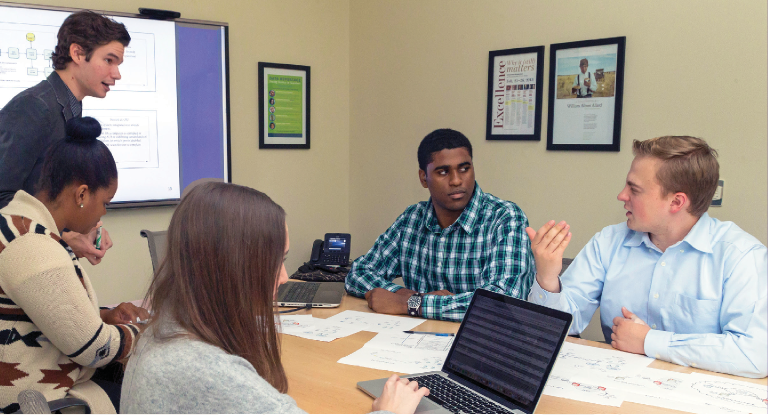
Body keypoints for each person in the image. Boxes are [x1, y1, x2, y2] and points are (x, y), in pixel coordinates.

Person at [121, 182, 429, 413]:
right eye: (275, 262)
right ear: (234, 265)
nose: (284, 278)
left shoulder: (163, 330)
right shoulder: (207, 372)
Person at [526, 136, 767, 378]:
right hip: (615, 389)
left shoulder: (741, 257)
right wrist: (547, 277)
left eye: (634, 189)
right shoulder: (609, 242)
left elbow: (754, 355)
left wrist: (649, 341)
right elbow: (557, 328)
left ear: (676, 202)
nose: (621, 195)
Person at [0, 117, 149, 414]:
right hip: (38, 400)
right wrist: (141, 333)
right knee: (153, 393)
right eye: (106, 202)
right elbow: (95, 349)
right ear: (81, 194)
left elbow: (47, 313)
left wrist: (106, 316)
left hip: (44, 382)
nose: (103, 213)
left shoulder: (18, 223)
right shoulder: (33, 247)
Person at [345, 129, 535, 322]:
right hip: (414, 340)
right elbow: (359, 273)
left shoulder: (504, 217)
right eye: (443, 172)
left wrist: (409, 304)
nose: (456, 180)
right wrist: (407, 295)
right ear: (423, 178)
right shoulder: (412, 219)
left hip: (483, 343)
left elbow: (502, 303)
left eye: (464, 168)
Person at [0, 10, 131, 264]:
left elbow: (55, 196)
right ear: (78, 53)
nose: (117, 74)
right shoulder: (34, 107)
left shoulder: (71, 107)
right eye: (109, 60)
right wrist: (59, 237)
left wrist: (86, 227)